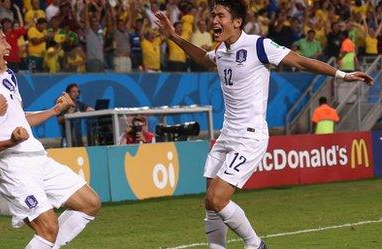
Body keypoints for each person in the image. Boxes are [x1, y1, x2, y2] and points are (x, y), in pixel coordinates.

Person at [154, 1, 373, 248]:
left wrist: (342, 74)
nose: (214, 20)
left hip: (250, 137)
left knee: (217, 199)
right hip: (227, 135)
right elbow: (205, 59)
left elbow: (299, 61)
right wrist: (174, 37)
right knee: (210, 203)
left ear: (236, 22)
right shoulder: (222, 51)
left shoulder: (259, 45)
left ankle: (255, 244)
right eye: (213, 15)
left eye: (220, 16)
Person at [0, 20, 101, 249]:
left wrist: (54, 110)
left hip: (37, 157)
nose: (9, 46)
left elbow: (20, 119)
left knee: (90, 203)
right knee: (48, 228)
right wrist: (10, 141)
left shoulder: (7, 75)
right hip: (12, 166)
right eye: (3, 41)